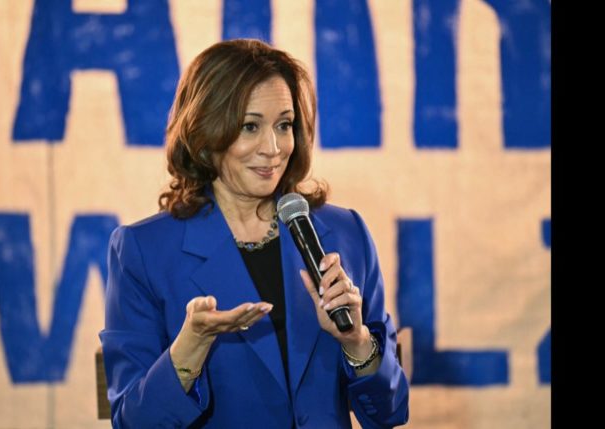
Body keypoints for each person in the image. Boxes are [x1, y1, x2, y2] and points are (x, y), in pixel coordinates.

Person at [99, 39, 409, 428]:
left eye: (284, 125)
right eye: (250, 126)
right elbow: (133, 422)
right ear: (207, 135)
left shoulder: (346, 234)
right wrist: (190, 348)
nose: (273, 148)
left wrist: (357, 342)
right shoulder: (143, 252)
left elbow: (391, 411)